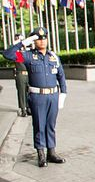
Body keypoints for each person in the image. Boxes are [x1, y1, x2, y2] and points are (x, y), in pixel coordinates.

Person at [3, 27, 67, 168]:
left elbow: (61, 76)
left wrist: (63, 94)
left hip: (53, 96)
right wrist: (25, 42)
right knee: (39, 125)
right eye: (38, 38)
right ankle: (41, 154)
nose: (42, 41)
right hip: (37, 96)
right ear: (33, 40)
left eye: (44, 38)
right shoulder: (28, 56)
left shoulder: (53, 56)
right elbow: (8, 54)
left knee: (51, 125)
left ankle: (51, 152)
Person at [12, 33, 31, 117]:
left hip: (29, 75)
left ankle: (29, 108)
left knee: (29, 92)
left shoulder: (27, 52)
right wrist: (17, 43)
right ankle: (23, 109)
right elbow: (16, 55)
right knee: (22, 93)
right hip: (21, 74)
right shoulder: (17, 53)